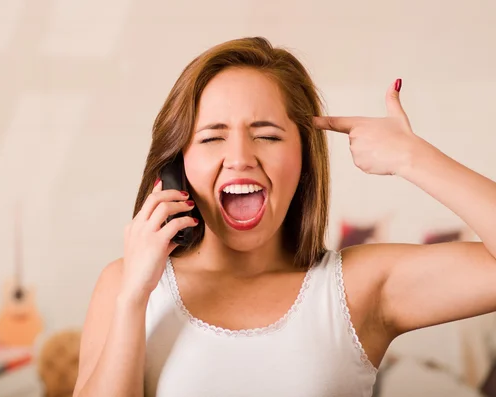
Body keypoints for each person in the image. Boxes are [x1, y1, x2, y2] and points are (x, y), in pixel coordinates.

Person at [72, 37, 496, 397]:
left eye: (267, 135)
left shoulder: (357, 290)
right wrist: (133, 299)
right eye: (212, 137)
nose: (239, 158)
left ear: (303, 157)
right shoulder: (124, 286)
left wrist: (413, 158)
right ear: (177, 166)